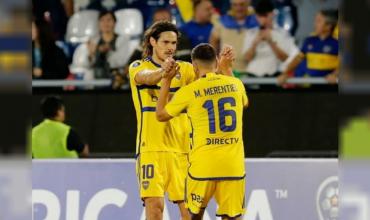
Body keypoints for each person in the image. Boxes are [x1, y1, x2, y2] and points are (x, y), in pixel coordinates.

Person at [128, 21, 233, 220]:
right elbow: (146, 78)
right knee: (155, 206)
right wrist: (163, 73)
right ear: (153, 42)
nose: (170, 48)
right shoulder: (137, 66)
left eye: (174, 43)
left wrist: (224, 66)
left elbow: (211, 78)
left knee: (190, 212)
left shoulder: (185, 69)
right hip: (151, 148)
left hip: (183, 151)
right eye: (166, 42)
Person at [156, 43, 248, 219]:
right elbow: (244, 103)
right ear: (216, 61)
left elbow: (160, 115)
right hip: (233, 166)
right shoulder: (236, 84)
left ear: (194, 65)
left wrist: (166, 80)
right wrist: (227, 68)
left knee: (194, 216)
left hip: (203, 166)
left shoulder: (190, 91)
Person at [277, 9, 339, 85]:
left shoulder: (337, 43)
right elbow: (298, 59)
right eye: (315, 20)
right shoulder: (309, 40)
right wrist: (285, 73)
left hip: (329, 86)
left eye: (318, 21)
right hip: (311, 85)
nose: (315, 24)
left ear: (328, 26)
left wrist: (335, 74)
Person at [242, 0, 299, 77]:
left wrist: (271, 42)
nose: (262, 20)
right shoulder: (251, 33)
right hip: (252, 75)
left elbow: (284, 58)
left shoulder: (282, 33)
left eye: (265, 16)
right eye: (259, 16)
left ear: (272, 14)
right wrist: (254, 44)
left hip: (273, 76)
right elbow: (246, 59)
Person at [209, 0, 258, 73]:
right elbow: (213, 43)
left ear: (248, 4)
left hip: (251, 71)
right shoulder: (222, 22)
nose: (238, 8)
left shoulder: (257, 22)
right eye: (235, 5)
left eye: (242, 4)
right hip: (226, 71)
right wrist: (216, 64)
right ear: (231, 5)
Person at [87, 10, 130, 79]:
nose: (105, 23)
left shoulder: (122, 40)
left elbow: (122, 61)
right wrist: (91, 54)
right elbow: (89, 64)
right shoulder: (93, 41)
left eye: (109, 20)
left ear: (115, 23)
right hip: (96, 76)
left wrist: (107, 52)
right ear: (98, 23)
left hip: (116, 76)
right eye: (102, 20)